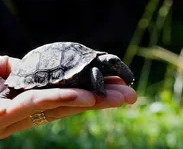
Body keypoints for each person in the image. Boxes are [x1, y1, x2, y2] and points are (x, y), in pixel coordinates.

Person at [0, 55, 137, 139]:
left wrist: (128, 78)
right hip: (34, 69)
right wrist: (100, 90)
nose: (115, 64)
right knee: (15, 90)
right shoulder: (94, 68)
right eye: (112, 62)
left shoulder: (97, 63)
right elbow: (94, 71)